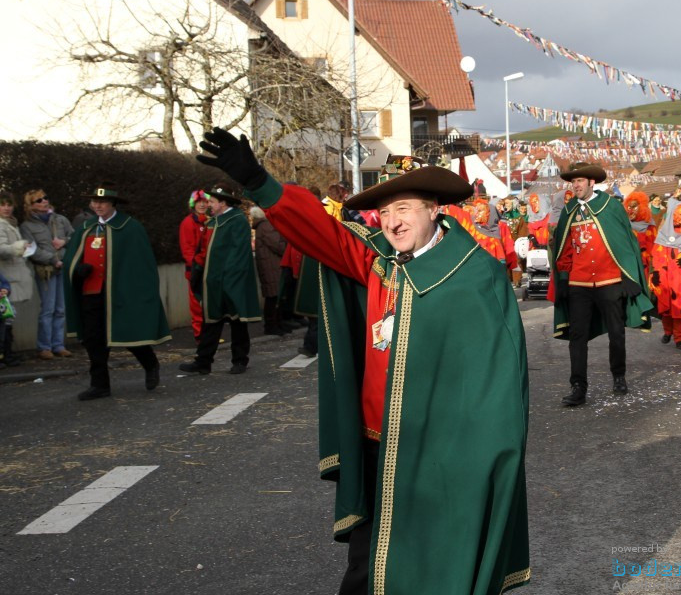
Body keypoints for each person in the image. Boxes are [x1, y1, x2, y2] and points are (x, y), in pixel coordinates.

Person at [195, 127, 530, 595]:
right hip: (376, 446)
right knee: (365, 570)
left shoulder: (477, 275)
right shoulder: (377, 263)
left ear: (434, 210)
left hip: (443, 453)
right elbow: (318, 230)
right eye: (386, 211)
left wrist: (493, 456)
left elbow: (499, 379)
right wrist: (257, 180)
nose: (393, 222)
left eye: (405, 208)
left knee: (436, 566)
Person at [552, 162, 652, 406]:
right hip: (579, 282)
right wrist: (563, 279)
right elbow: (563, 248)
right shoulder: (569, 211)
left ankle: (619, 376)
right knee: (578, 336)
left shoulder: (611, 206)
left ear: (591, 183)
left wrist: (629, 276)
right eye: (573, 182)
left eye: (580, 181)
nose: (575, 185)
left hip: (609, 280)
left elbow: (625, 243)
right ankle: (578, 387)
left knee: (616, 333)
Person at [62, 184, 170, 400]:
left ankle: (150, 364)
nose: (97, 205)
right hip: (92, 293)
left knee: (128, 334)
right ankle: (100, 385)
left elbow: (141, 265)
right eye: (94, 202)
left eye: (102, 202)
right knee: (93, 340)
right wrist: (78, 269)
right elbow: (72, 259)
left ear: (113, 204)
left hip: (121, 293)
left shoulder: (130, 227)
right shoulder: (86, 228)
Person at [180, 183, 261, 375]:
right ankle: (203, 361)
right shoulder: (211, 222)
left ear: (223, 203)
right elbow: (203, 251)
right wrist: (197, 271)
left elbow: (238, 254)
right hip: (213, 282)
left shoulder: (237, 221)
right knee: (211, 321)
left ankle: (240, 360)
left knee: (237, 321)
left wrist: (230, 280)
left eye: (212, 201)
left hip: (231, 281)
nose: (208, 204)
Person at [20, 188, 74, 360]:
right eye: (39, 200)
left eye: (45, 198)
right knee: (48, 309)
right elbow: (31, 250)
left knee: (61, 309)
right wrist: (52, 259)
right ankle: (44, 347)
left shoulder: (60, 219)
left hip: (63, 268)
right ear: (31, 205)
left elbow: (76, 236)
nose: (44, 201)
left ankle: (58, 345)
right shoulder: (27, 226)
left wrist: (64, 241)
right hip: (46, 271)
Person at [651, 196, 681, 348]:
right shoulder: (663, 235)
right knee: (665, 308)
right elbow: (656, 254)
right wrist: (655, 273)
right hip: (664, 277)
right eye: (680, 215)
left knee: (680, 308)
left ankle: (680, 338)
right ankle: (668, 331)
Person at [0, 191, 33, 367]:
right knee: (5, 317)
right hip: (6, 278)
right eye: (3, 204)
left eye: (9, 204)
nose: (6, 208)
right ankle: (6, 354)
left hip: (11, 276)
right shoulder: (1, 225)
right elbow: (2, 249)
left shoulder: (11, 223)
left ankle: (8, 353)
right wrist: (19, 247)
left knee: (8, 317)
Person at [251, 206, 290, 336]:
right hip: (272, 265)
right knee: (273, 297)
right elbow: (278, 245)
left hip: (270, 264)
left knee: (274, 296)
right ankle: (272, 325)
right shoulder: (266, 225)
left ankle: (276, 324)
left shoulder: (263, 225)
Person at [179, 189, 210, 340]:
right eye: (199, 202)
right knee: (197, 304)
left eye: (204, 202)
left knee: (207, 304)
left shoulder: (208, 221)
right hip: (196, 271)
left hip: (207, 270)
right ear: (193, 204)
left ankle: (208, 334)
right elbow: (188, 249)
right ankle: (200, 335)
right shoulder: (188, 222)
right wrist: (196, 268)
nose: (202, 205)